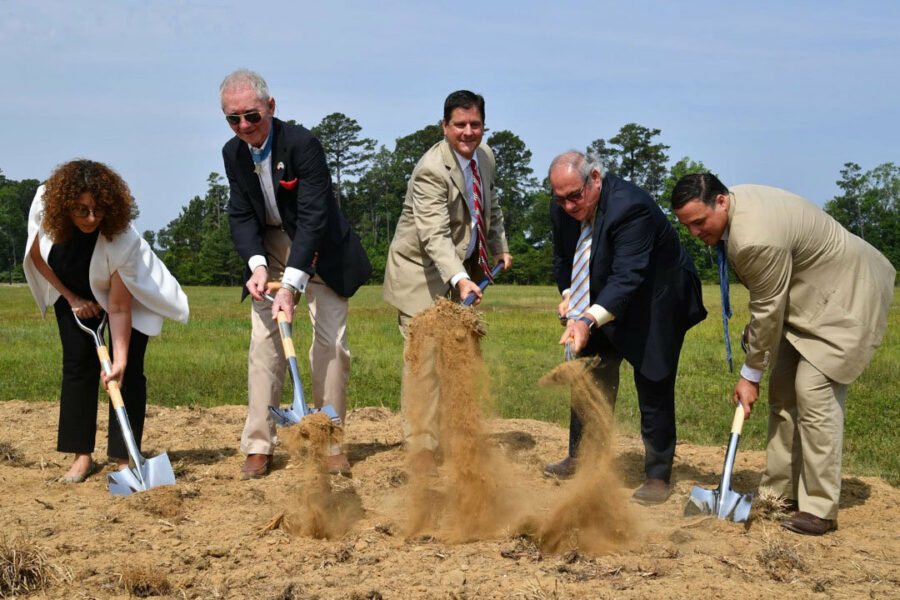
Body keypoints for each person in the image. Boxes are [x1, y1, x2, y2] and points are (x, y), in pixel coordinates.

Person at [671, 173, 895, 535]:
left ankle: (820, 508)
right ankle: (780, 493)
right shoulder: (736, 211)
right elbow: (767, 299)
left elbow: (768, 308)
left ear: (722, 202)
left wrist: (749, 376)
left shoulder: (753, 239)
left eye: (699, 222)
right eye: (688, 226)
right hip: (807, 300)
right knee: (784, 391)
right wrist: (757, 351)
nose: (695, 233)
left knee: (813, 391)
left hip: (848, 296)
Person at [220, 69, 371, 479]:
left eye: (251, 116)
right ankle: (258, 444)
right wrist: (257, 266)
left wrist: (290, 284)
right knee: (263, 342)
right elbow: (240, 215)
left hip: (320, 247)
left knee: (331, 344)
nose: (244, 126)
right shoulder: (232, 153)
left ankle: (330, 439)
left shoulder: (303, 145)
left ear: (270, 107)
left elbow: (314, 216)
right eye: (233, 119)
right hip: (269, 247)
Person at [546, 151, 706, 505]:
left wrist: (587, 318)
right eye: (561, 198)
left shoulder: (631, 207)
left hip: (656, 299)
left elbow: (628, 276)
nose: (569, 206)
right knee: (590, 372)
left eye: (575, 196)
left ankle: (657, 475)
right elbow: (563, 256)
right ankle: (581, 456)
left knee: (653, 378)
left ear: (596, 179)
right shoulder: (562, 207)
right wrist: (570, 297)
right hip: (602, 294)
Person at [23, 160, 189, 483]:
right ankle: (81, 457)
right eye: (82, 209)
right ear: (64, 205)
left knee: (128, 371)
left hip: (126, 293)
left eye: (98, 209)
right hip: (69, 286)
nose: (91, 218)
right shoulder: (46, 205)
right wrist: (72, 299)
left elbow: (120, 308)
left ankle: (125, 458)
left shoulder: (120, 237)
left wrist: (120, 360)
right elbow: (37, 257)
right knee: (77, 363)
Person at [383, 90, 512, 473]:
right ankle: (422, 447)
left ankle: (457, 433)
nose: (468, 132)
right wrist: (458, 278)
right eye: (460, 124)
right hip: (420, 273)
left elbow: (492, 207)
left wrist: (499, 246)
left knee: (459, 355)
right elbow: (434, 236)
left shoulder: (485, 157)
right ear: (445, 126)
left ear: (483, 125)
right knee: (423, 360)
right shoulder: (430, 170)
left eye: (475, 124)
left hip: (463, 273)